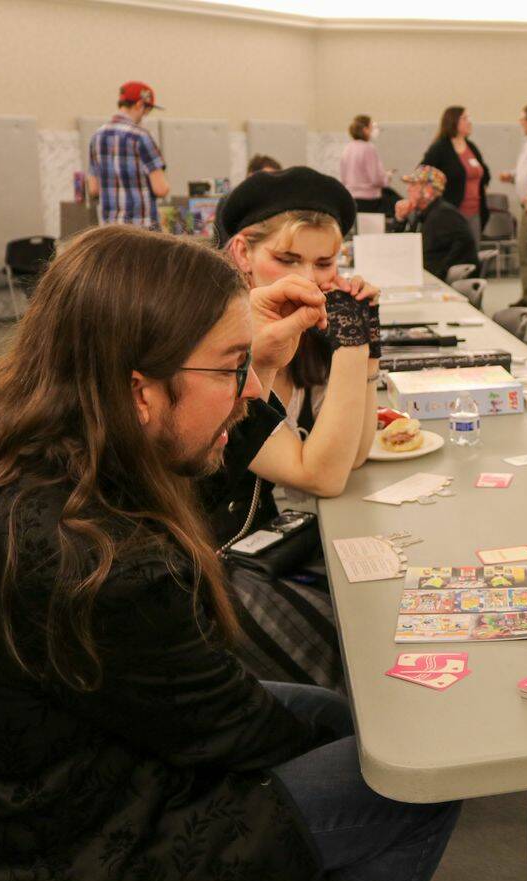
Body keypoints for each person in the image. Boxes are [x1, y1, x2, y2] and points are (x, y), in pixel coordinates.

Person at [0, 225, 459, 881]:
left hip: (36, 791)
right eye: (229, 367)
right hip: (85, 864)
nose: (250, 387)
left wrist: (255, 360)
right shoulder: (96, 562)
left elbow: (192, 480)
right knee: (414, 778)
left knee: (339, 719)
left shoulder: (16, 449)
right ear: (140, 389)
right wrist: (379, 741)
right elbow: (232, 728)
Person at [216, 166, 381, 689]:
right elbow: (323, 474)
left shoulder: (301, 339)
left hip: (276, 546)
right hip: (219, 569)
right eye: (286, 260)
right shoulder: (222, 347)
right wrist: (353, 342)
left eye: (324, 263)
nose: (308, 279)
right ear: (242, 254)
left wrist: (365, 356)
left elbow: (355, 452)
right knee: (366, 654)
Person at [87, 80, 170, 228]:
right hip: (141, 229)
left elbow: (93, 188)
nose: (146, 114)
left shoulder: (97, 136)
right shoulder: (141, 136)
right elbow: (161, 189)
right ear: (139, 104)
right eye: (147, 109)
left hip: (109, 229)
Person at [497, 104, 527, 307]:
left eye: (523, 120)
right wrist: (512, 176)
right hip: (524, 205)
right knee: (524, 251)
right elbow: (526, 172)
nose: (520, 124)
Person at [392, 164, 478, 281]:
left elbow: (429, 257)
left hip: (441, 286)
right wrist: (400, 219)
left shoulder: (443, 215)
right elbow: (404, 248)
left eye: (413, 185)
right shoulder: (425, 214)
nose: (408, 189)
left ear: (428, 190)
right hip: (430, 278)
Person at [421, 106, 491, 242]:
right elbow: (423, 173)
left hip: (475, 212)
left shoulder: (471, 147)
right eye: (465, 118)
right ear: (453, 121)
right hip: (452, 213)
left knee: (472, 255)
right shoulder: (440, 148)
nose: (469, 122)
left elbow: (485, 173)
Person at [340, 114, 392, 215]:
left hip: (352, 197)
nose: (374, 131)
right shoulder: (368, 148)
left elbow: (344, 177)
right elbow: (375, 179)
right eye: (372, 128)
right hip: (369, 199)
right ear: (365, 129)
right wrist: (387, 177)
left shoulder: (348, 148)